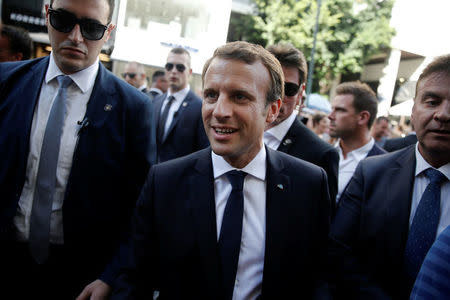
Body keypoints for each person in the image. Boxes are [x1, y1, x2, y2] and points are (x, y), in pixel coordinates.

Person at [112, 41, 331, 300]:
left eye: (240, 96)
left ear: (272, 109)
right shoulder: (165, 182)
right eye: (211, 95)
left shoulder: (308, 185)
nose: (220, 111)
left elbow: (318, 278)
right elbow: (135, 278)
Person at [0, 0, 156, 299]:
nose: (75, 36)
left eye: (91, 27)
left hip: (83, 278)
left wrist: (112, 275)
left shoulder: (133, 108)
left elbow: (140, 206)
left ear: (108, 33)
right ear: (47, 15)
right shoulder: (7, 82)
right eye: (63, 20)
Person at [328, 54, 450, 299]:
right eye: (432, 101)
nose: (443, 114)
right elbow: (338, 255)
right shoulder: (371, 173)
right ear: (413, 110)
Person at [265, 43, 339, 206]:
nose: (279, 97)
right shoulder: (236, 134)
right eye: (272, 85)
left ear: (300, 93)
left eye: (289, 88)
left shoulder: (321, 154)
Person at [328, 81, 386, 203]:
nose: (330, 116)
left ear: (363, 117)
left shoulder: (385, 166)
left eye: (340, 110)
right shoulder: (322, 152)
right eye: (332, 109)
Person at [153, 47, 209, 162]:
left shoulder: (200, 107)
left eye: (180, 67)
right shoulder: (155, 102)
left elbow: (203, 152)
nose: (174, 71)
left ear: (189, 72)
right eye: (169, 66)